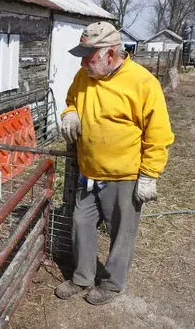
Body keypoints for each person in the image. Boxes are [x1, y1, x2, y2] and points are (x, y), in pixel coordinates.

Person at [55, 21, 175, 305]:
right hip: (89, 171)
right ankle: (82, 278)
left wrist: (149, 174)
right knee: (80, 224)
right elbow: (72, 100)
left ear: (110, 54)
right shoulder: (84, 76)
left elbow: (159, 134)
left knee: (121, 233)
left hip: (124, 176)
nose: (83, 62)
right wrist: (69, 113)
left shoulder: (142, 82)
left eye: (89, 55)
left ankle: (111, 284)